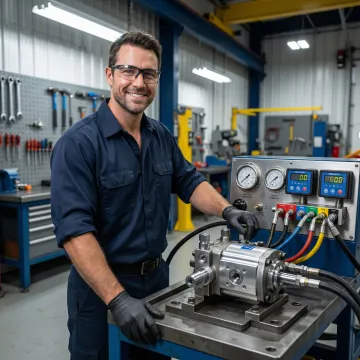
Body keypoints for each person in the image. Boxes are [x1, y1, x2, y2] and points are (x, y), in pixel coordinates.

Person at [50, 31, 259, 360]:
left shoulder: (159, 135)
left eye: (148, 73)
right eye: (128, 70)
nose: (138, 82)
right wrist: (117, 299)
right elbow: (75, 232)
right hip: (101, 290)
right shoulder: (78, 144)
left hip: (157, 282)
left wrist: (228, 211)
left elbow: (189, 181)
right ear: (110, 74)